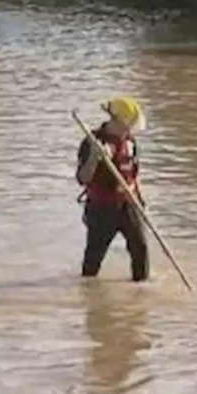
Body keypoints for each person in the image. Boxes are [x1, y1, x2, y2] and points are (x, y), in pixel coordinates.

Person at [75, 97, 149, 281]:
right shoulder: (91, 142)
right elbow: (82, 179)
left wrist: (140, 203)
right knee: (93, 260)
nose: (129, 130)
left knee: (140, 249)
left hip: (128, 205)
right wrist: (95, 157)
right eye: (127, 126)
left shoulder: (130, 142)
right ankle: (89, 298)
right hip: (101, 208)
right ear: (115, 121)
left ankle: (140, 293)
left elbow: (133, 175)